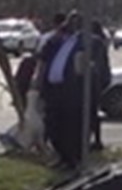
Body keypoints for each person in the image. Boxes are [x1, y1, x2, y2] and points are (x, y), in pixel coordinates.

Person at [37, 12, 86, 170]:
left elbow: (94, 69)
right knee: (52, 126)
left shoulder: (85, 43)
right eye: (69, 22)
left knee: (70, 128)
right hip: (52, 91)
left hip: (72, 93)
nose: (70, 25)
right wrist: (38, 83)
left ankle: (71, 159)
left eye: (76, 23)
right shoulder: (54, 42)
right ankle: (61, 155)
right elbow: (42, 62)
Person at [85, 20, 112, 151]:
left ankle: (94, 140)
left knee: (90, 111)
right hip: (100, 79)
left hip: (96, 80)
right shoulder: (100, 42)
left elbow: (96, 64)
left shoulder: (96, 43)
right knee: (92, 111)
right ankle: (93, 139)